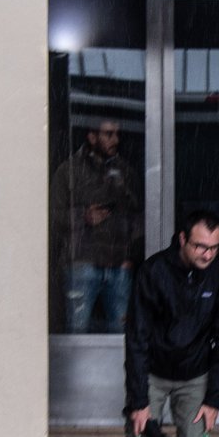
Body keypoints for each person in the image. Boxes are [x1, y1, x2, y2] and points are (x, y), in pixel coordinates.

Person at [126, 211, 219, 437]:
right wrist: (138, 400)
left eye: (214, 248)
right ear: (182, 239)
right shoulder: (153, 271)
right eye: (200, 246)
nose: (207, 254)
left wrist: (214, 400)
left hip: (194, 374)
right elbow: (137, 337)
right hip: (152, 372)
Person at [51, 117, 142, 334]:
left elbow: (142, 217)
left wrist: (131, 256)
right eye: (108, 134)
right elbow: (52, 217)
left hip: (119, 265)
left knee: (122, 334)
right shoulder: (69, 171)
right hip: (82, 263)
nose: (115, 140)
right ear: (92, 137)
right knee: (76, 331)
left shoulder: (126, 172)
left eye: (117, 134)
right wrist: (83, 216)